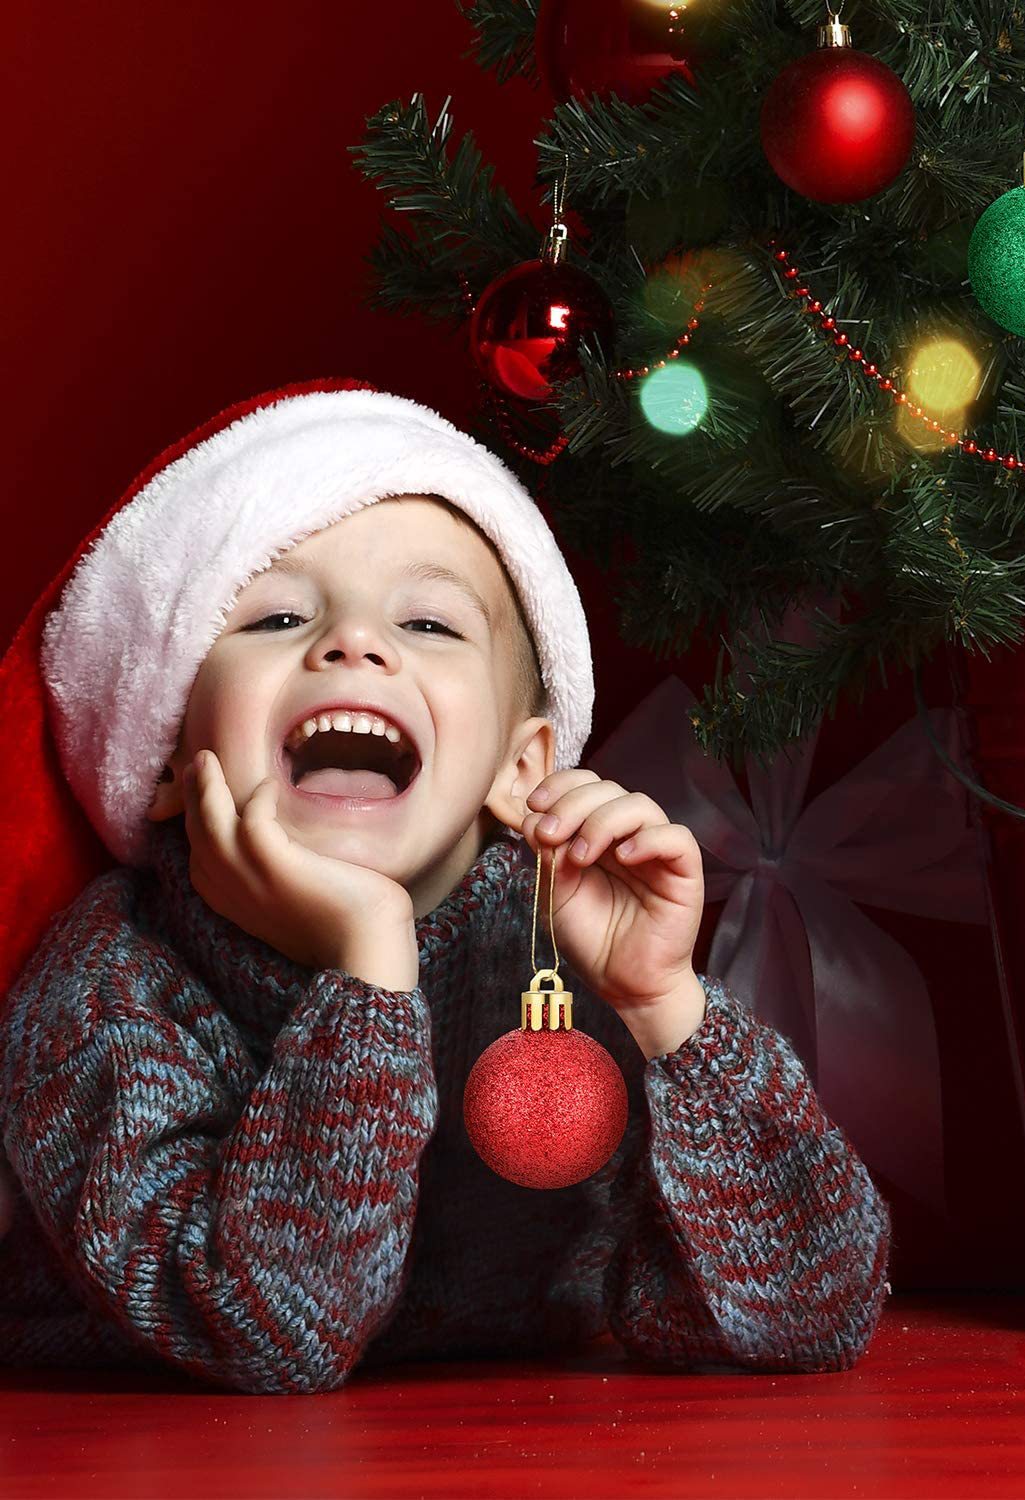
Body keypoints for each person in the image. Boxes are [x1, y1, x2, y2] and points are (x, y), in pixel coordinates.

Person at [0, 378, 893, 1395]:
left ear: (523, 769)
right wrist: (371, 972)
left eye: (428, 624)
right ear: (165, 754)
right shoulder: (106, 994)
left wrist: (665, 1006)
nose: (352, 643)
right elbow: (263, 1332)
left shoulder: (557, 958)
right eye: (279, 614)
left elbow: (811, 1312)